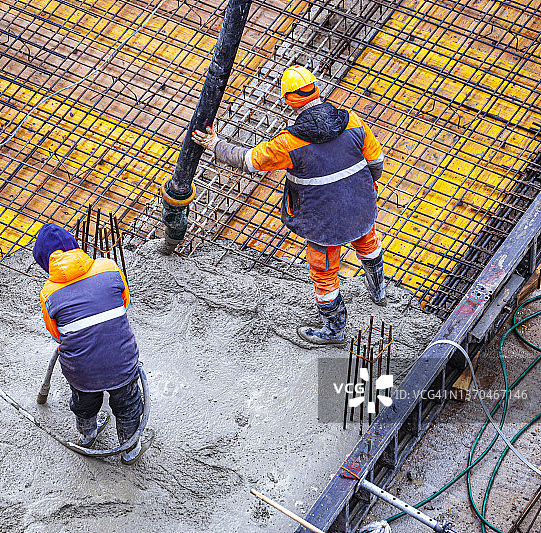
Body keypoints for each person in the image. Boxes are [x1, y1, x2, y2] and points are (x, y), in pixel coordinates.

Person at [191, 65, 386, 345]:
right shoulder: (352, 121)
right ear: (316, 90)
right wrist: (360, 189)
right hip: (361, 206)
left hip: (322, 222)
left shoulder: (288, 143)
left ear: (288, 100)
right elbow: (376, 163)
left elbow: (249, 161)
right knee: (367, 241)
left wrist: (215, 144)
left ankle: (334, 330)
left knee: (324, 272)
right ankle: (378, 291)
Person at [33, 223, 151, 465]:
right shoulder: (109, 267)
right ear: (75, 247)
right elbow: (124, 303)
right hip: (123, 363)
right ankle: (129, 448)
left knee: (84, 403)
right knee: (128, 404)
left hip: (81, 373)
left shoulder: (48, 293)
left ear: (45, 263)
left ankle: (88, 434)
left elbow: (56, 334)